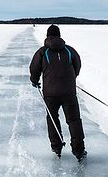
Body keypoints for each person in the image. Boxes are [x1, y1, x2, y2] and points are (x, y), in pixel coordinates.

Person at [29, 24, 87, 162]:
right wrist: (72, 78)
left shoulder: (42, 52)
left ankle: (57, 147)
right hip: (69, 92)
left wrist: (34, 80)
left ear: (47, 36)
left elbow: (34, 68)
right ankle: (78, 150)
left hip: (50, 93)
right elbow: (77, 66)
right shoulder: (69, 50)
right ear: (59, 35)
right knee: (74, 120)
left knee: (52, 118)